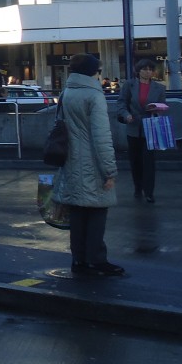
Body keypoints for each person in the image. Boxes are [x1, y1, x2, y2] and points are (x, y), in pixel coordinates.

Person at [51, 53, 124, 276]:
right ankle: (97, 259)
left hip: (71, 160)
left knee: (78, 212)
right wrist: (109, 171)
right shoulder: (94, 96)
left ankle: (79, 258)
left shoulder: (67, 92)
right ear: (93, 71)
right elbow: (101, 137)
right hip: (92, 162)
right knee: (97, 211)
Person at [116, 58, 167, 203]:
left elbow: (163, 105)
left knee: (149, 160)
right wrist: (126, 115)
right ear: (139, 71)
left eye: (151, 69)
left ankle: (149, 191)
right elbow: (121, 103)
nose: (148, 72)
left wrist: (156, 109)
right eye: (145, 69)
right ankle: (138, 186)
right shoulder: (129, 85)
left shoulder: (159, 88)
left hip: (151, 126)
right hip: (133, 127)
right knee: (135, 160)